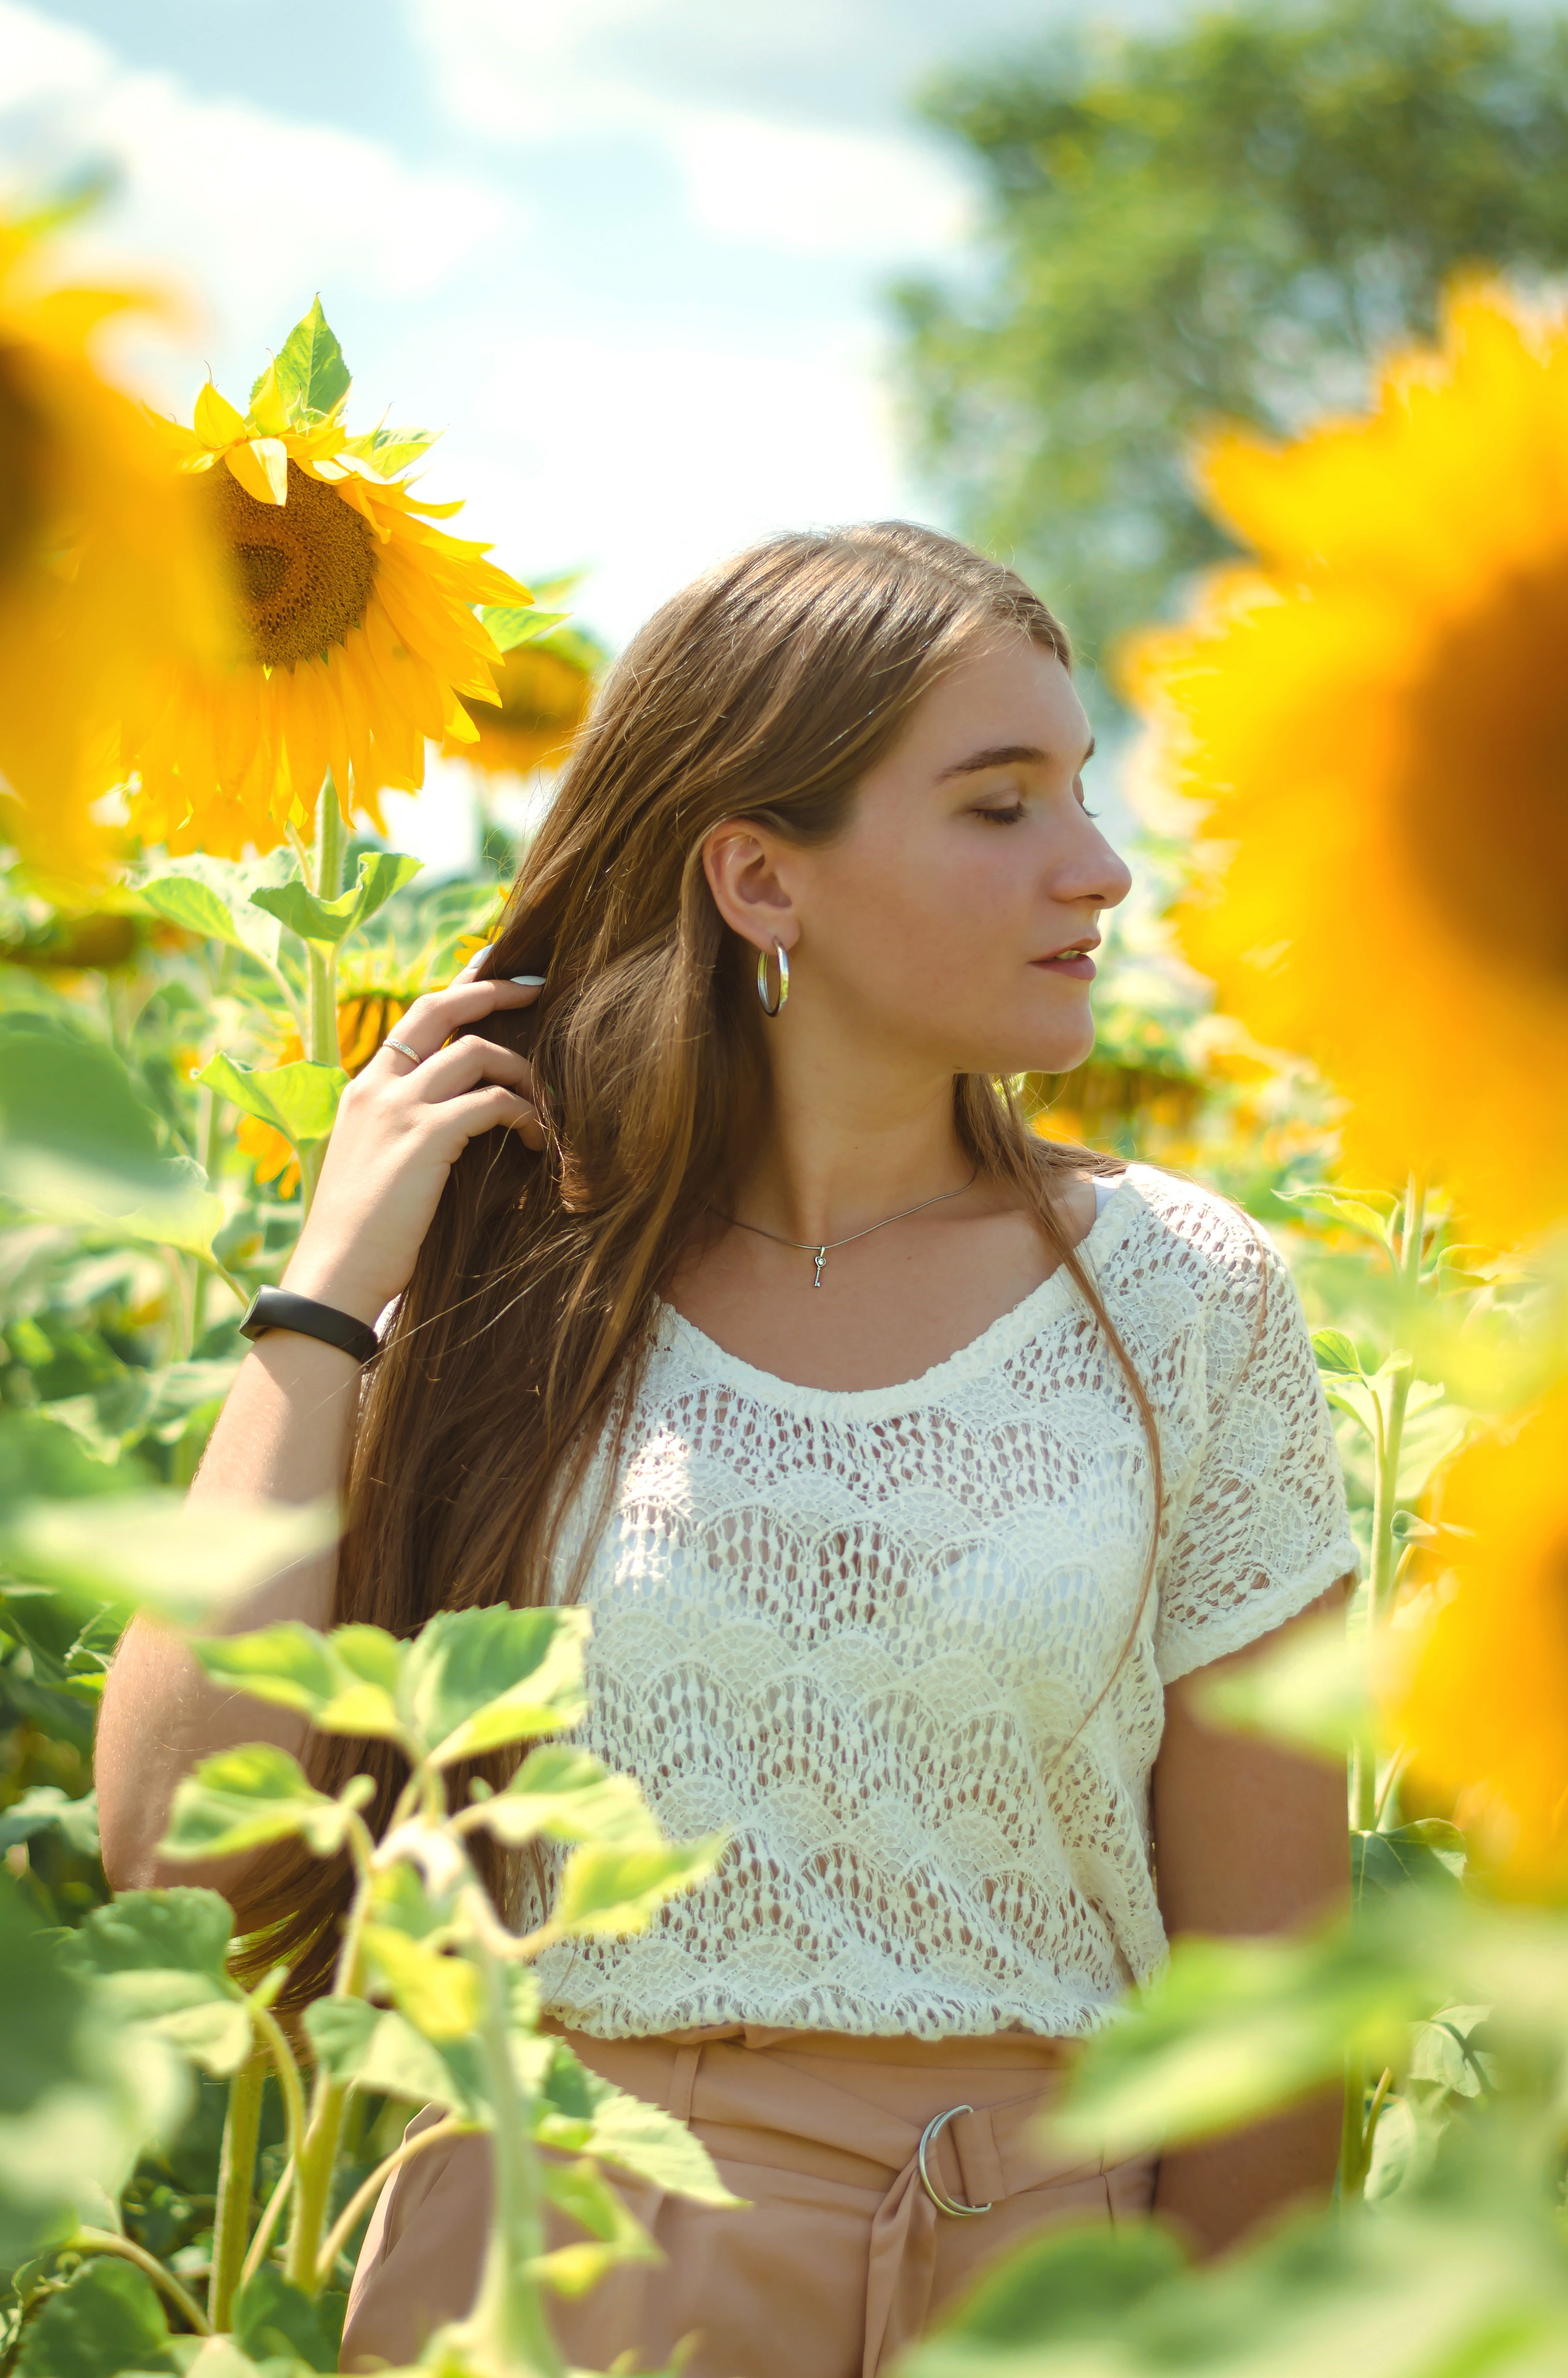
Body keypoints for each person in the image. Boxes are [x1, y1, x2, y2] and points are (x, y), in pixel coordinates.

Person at [97, 524, 1359, 2378]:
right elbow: (176, 1850)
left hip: (1045, 2297)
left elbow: (1275, 2007)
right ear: (764, 876)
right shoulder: (516, 1285)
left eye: (1078, 793)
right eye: (1001, 806)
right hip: (549, 2280)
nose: (1097, 867)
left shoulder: (1188, 1298)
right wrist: (326, 1290)